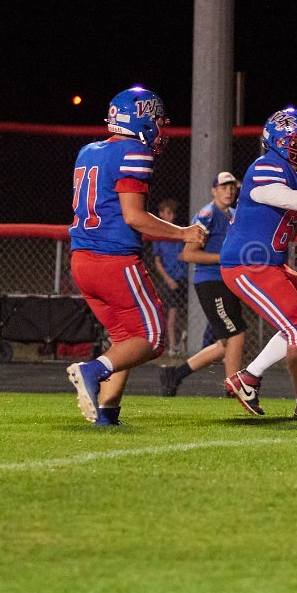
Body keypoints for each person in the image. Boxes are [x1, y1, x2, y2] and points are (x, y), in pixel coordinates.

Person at [65, 86, 208, 425]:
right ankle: (91, 370)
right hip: (113, 260)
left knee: (125, 340)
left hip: (82, 260)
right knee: (152, 339)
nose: (160, 126)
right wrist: (184, 233)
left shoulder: (88, 151)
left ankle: (106, 413)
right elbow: (134, 216)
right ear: (140, 118)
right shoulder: (133, 151)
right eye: (156, 119)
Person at [219, 107, 297, 419]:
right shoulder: (265, 167)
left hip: (273, 263)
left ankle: (268, 387)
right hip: (246, 263)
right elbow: (282, 196)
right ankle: (271, 388)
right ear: (278, 142)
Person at [158, 172, 247, 396]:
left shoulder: (234, 214)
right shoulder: (207, 215)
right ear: (213, 191)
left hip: (227, 281)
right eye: (223, 187)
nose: (229, 191)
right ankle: (234, 390)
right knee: (236, 334)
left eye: (232, 187)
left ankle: (175, 374)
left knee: (225, 343)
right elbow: (188, 254)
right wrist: (223, 258)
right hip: (211, 281)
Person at [151, 198, 188, 354]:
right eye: (167, 213)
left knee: (184, 312)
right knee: (172, 313)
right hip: (171, 279)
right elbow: (157, 262)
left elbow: (185, 252)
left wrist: (184, 256)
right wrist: (168, 279)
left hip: (183, 276)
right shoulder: (158, 234)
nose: (171, 216)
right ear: (161, 214)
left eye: (173, 213)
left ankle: (182, 342)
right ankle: (172, 346)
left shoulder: (179, 230)